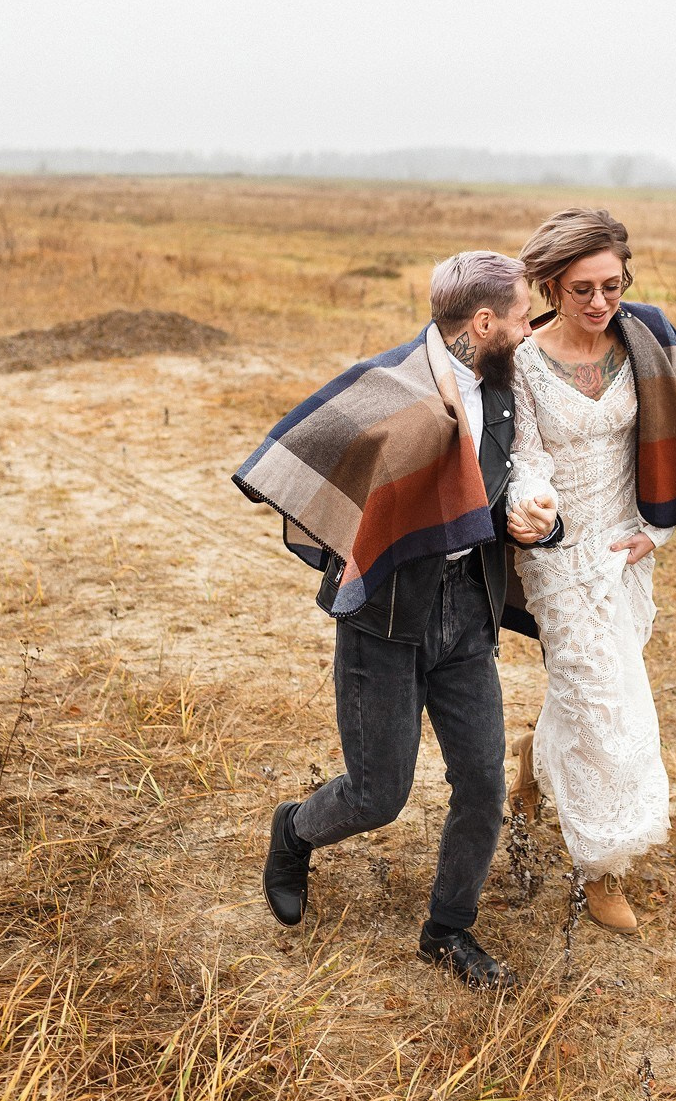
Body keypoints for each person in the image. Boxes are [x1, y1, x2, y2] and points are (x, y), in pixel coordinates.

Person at [232, 251, 558, 988]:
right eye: (518, 317)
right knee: (378, 795)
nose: (528, 329)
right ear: (483, 322)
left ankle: (448, 931)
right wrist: (354, 538)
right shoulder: (388, 385)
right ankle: (294, 830)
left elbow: (504, 487)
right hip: (384, 623)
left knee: (481, 784)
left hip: (467, 619)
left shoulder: (504, 392)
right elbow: (313, 452)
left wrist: (535, 515)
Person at [505, 208, 676, 933]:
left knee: (589, 688)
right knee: (611, 704)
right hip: (555, 550)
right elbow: (524, 455)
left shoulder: (644, 339)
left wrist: (658, 530)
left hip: (625, 547)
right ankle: (601, 867)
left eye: (612, 284)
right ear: (549, 284)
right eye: (581, 289)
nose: (601, 303)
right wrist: (531, 503)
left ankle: (531, 762)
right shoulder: (521, 359)